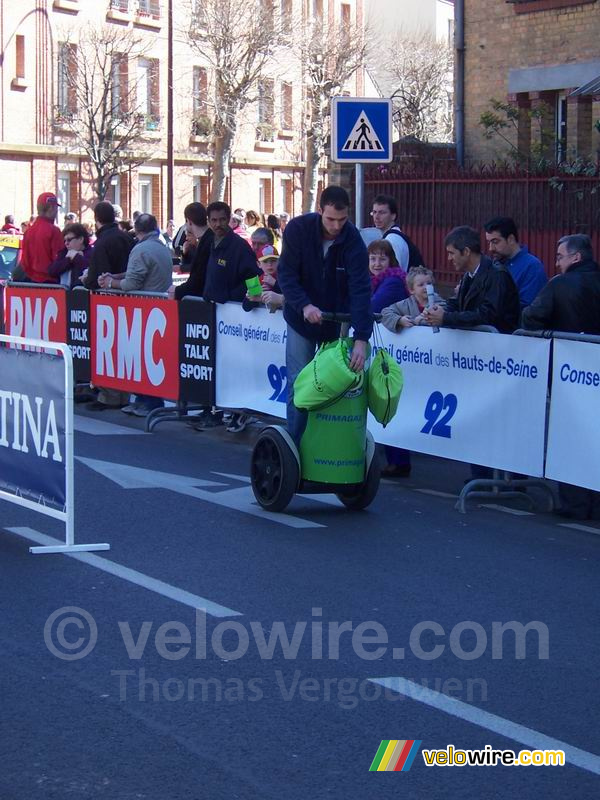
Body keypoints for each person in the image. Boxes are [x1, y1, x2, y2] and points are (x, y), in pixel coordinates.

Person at [277, 185, 373, 444]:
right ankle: (295, 447)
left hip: (335, 320)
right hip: (300, 318)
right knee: (300, 382)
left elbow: (361, 290)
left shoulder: (352, 240)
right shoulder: (298, 229)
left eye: (342, 220)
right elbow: (286, 275)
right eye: (330, 219)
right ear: (320, 211)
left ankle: (326, 444)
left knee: (333, 383)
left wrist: (362, 338)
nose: (336, 226)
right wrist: (304, 305)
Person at [523, 234, 600, 519]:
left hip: (570, 372)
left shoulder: (560, 284)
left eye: (559, 256)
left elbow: (531, 317)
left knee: (570, 435)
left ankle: (575, 503)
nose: (556, 263)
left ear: (575, 258)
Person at [191, 201, 261, 431]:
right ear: (208, 221)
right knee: (216, 365)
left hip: (233, 316)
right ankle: (213, 409)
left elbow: (253, 278)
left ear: (229, 219)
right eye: (214, 220)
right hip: (214, 313)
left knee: (233, 366)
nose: (218, 224)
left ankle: (237, 412)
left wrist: (245, 301)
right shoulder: (210, 241)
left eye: (222, 219)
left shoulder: (239, 247)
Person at [97, 213, 173, 418]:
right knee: (149, 357)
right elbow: (137, 273)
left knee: (142, 357)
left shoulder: (140, 249)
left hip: (142, 308)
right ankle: (144, 400)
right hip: (157, 307)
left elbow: (132, 284)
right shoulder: (161, 247)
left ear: (137, 231)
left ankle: (148, 402)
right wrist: (115, 276)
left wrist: (110, 283)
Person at [423, 226, 520, 334]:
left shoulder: (497, 275)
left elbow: (488, 315)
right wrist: (437, 313)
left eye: (452, 253)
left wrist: (446, 318)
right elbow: (457, 303)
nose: (449, 258)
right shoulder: (469, 275)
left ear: (466, 252)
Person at [484, 216, 547, 308]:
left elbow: (528, 309)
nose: (491, 248)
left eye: (495, 242)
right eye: (489, 242)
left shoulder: (532, 266)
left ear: (511, 239)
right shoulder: (494, 264)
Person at [83, 201, 133, 290]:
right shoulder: (127, 237)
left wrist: (86, 280)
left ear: (96, 218)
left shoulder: (101, 242)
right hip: (129, 291)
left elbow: (98, 274)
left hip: (110, 293)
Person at [169, 202, 214, 301]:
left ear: (189, 221)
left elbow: (199, 278)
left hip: (206, 300)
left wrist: (177, 291)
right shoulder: (206, 240)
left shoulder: (208, 242)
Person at [382, 266, 445, 332]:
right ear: (411, 290)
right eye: (421, 285)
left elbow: (436, 319)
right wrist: (399, 320)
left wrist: (416, 321)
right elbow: (385, 314)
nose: (426, 287)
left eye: (429, 283)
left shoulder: (440, 303)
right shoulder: (406, 304)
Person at [370, 194, 424, 270]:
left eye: (382, 213)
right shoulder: (394, 236)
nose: (376, 217)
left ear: (393, 216)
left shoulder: (392, 240)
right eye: (374, 212)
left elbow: (394, 272)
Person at [20, 192, 64, 283]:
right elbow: (58, 260)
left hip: (31, 283)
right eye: (56, 208)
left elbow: (24, 262)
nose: (57, 212)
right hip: (50, 284)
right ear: (51, 208)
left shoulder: (28, 232)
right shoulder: (54, 230)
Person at [367, 239, 407, 313]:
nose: (377, 264)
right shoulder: (370, 280)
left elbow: (373, 307)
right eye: (373, 259)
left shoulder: (393, 282)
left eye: (382, 259)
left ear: (390, 261)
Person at [47, 223, 92, 288]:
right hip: (63, 295)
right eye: (64, 241)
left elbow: (91, 269)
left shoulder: (92, 253)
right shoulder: (64, 253)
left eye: (69, 240)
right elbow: (52, 271)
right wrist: (68, 259)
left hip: (82, 295)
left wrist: (76, 258)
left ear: (81, 239)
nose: (66, 243)